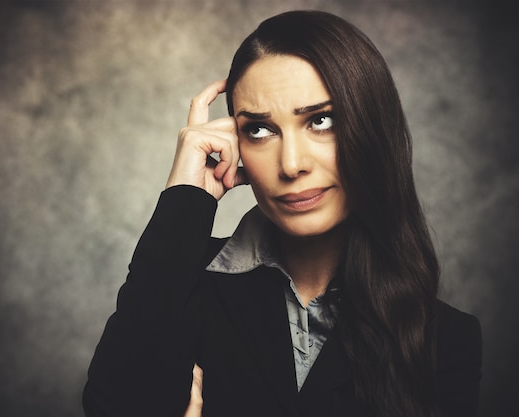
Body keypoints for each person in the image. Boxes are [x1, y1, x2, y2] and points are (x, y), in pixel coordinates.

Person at [82, 10, 482, 417]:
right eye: (259, 130)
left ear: (372, 130)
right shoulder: (181, 283)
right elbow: (112, 407)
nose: (291, 165)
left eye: (321, 121)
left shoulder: (447, 339)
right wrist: (186, 197)